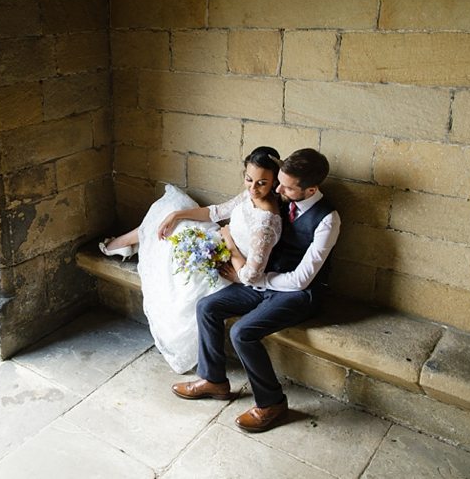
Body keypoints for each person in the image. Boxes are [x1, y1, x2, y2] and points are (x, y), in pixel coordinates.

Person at [171, 148, 341, 433]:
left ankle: (272, 403)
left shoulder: (328, 219)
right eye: (279, 182)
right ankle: (214, 380)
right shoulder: (277, 198)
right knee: (207, 307)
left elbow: (302, 279)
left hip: (300, 294)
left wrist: (253, 279)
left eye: (286, 186)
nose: (278, 189)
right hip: (262, 282)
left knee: (243, 332)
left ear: (310, 189)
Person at [99, 146, 283, 373]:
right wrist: (177, 215)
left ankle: (120, 245)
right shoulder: (249, 196)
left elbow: (251, 275)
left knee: (173, 244)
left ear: (275, 181)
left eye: (262, 183)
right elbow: (216, 212)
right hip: (219, 242)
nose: (253, 188)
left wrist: (230, 244)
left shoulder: (266, 222)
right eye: (249, 179)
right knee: (173, 211)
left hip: (226, 264)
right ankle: (125, 244)